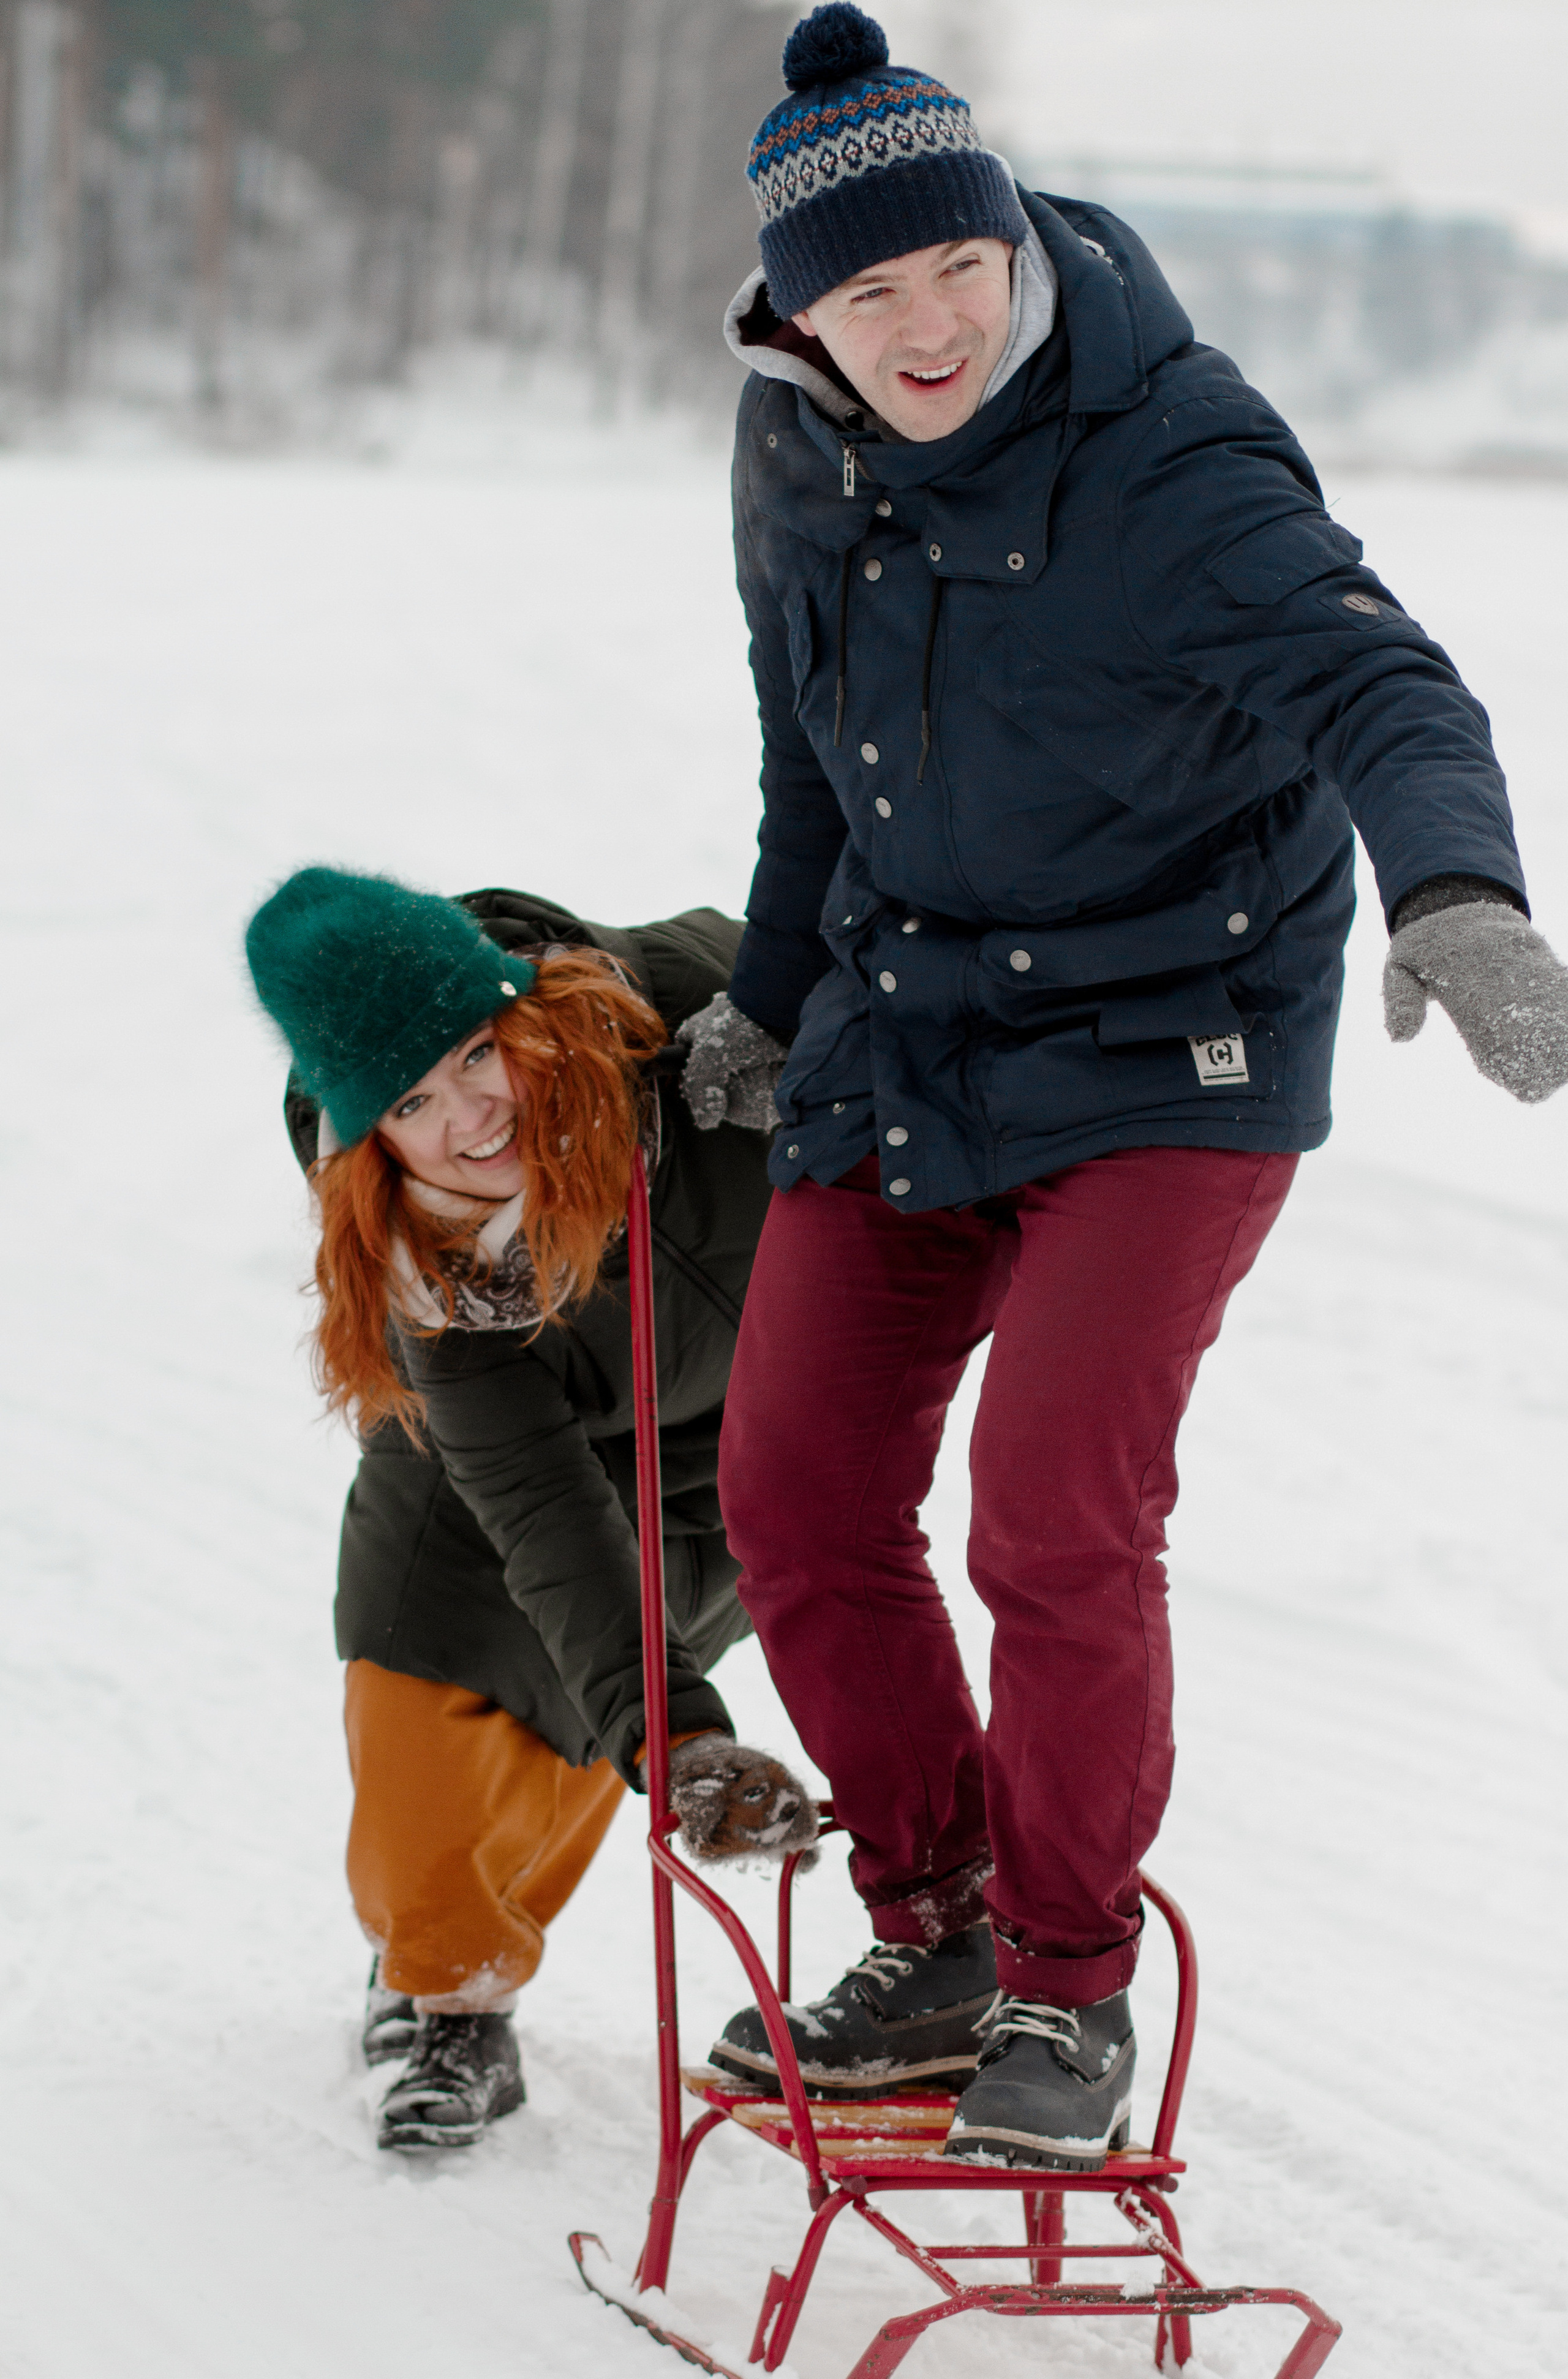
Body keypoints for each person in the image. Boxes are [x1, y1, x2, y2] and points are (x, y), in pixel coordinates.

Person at [675, 4, 1568, 2171]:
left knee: (1060, 1506)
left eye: (956, 268)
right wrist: (772, 996)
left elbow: (1381, 680)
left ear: (1009, 240)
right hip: (913, 1029)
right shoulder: (794, 447)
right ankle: (943, 1924)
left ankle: (1070, 1983)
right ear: (798, 311)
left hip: (1178, 1040)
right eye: (871, 293)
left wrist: (1457, 893)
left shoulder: (1168, 444)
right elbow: (823, 765)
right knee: (791, 1490)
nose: (932, 325)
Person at [245, 868, 814, 2153]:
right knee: (427, 1712)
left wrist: (843, 1061)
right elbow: (549, 1522)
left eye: (470, 1056)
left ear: (517, 1011)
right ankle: (447, 1991)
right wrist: (688, 1751)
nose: (468, 1117)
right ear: (368, 1135)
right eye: (410, 1101)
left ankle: (467, 1975)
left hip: (743, 1427)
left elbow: (889, 964)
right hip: (501, 1453)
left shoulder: (702, 1005)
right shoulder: (429, 1283)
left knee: (576, 1736)